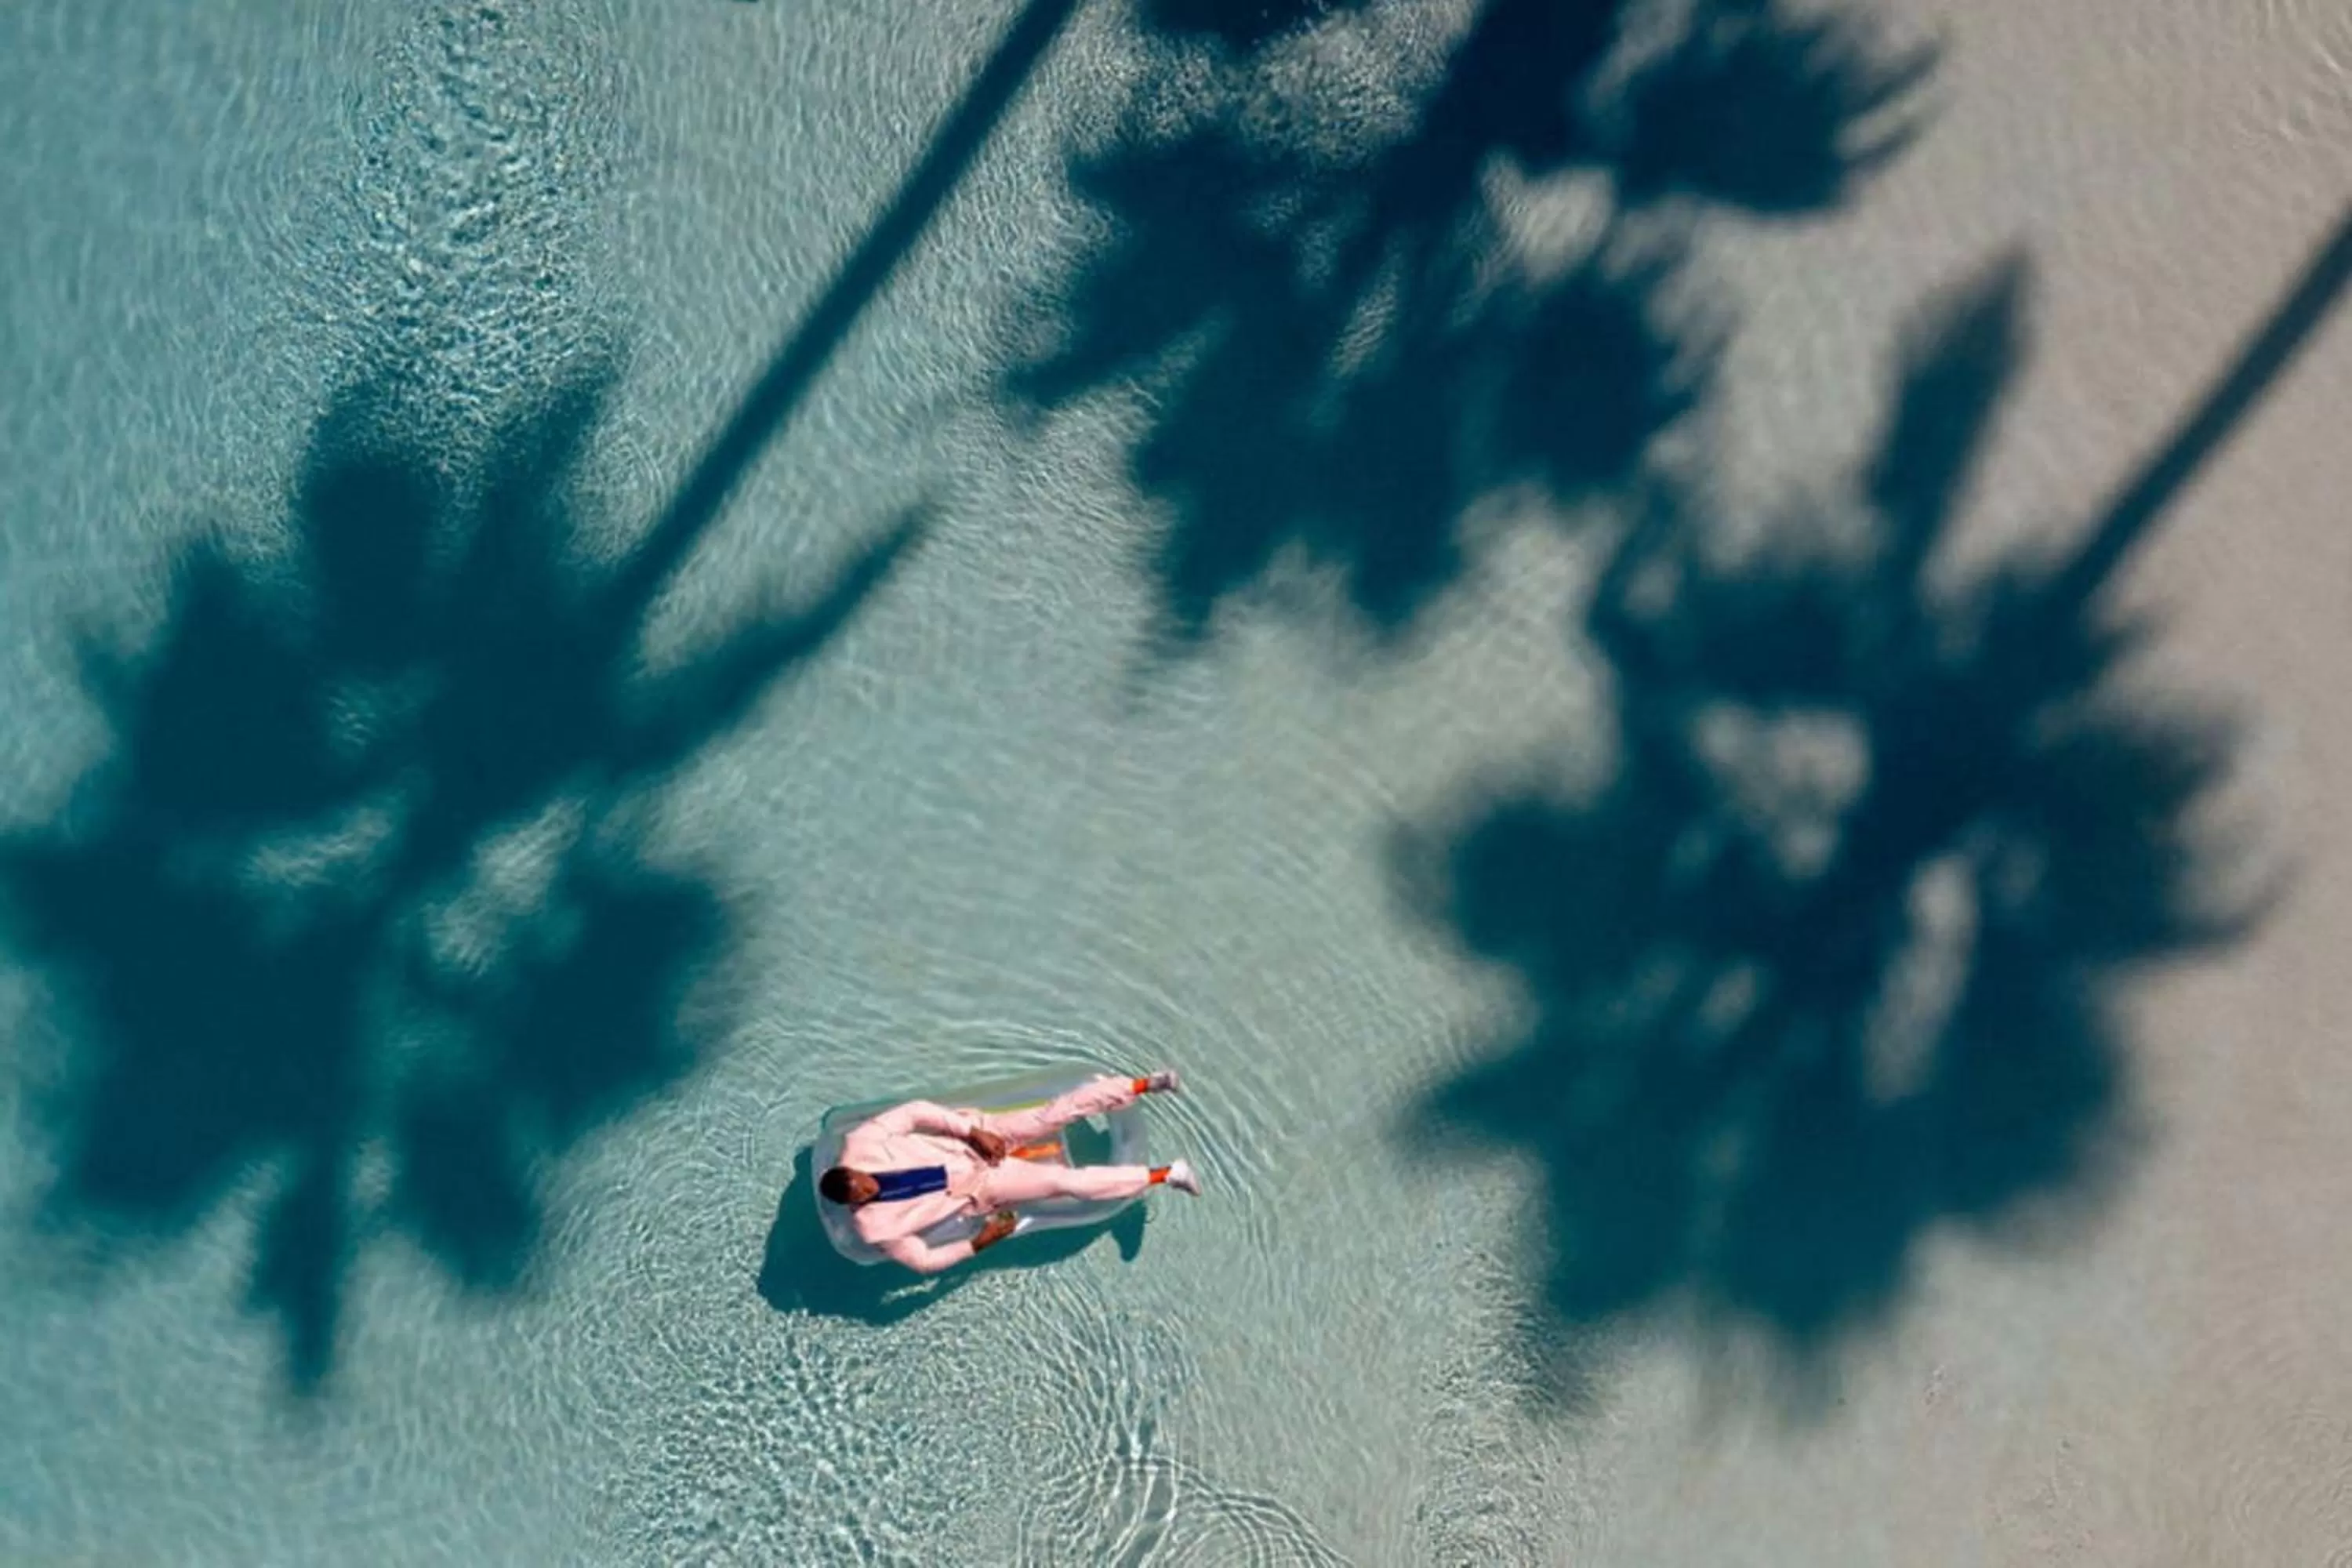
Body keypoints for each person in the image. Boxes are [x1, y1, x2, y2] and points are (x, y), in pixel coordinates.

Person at [818, 1069, 1199, 1275]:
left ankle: (1146, 1084)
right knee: (1063, 1182)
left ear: (852, 1168)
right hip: (980, 1189)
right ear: (854, 1204)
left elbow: (916, 1111)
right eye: (865, 1195)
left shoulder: (862, 1142)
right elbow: (922, 1261)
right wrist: (979, 1242)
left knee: (1050, 1116)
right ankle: (1166, 1174)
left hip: (972, 1141)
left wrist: (974, 1132)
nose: (872, 1188)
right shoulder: (874, 1227)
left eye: (867, 1180)